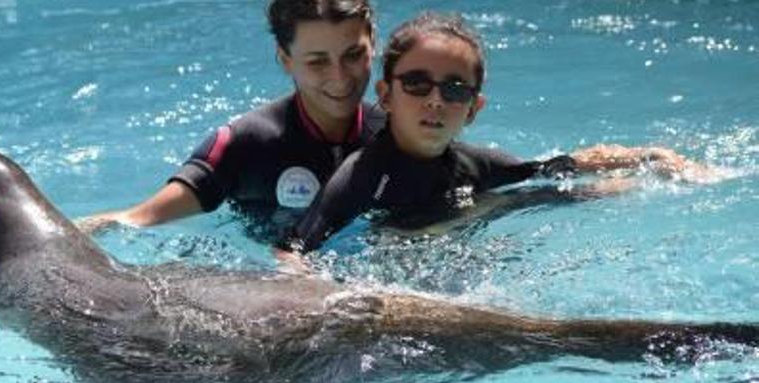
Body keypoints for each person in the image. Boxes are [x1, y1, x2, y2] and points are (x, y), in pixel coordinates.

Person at [280, 12, 709, 254]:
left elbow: (563, 165)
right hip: (391, 248)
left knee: (564, 192)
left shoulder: (476, 164)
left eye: (454, 89)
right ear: (386, 96)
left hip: (460, 223)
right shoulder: (362, 177)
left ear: (473, 109)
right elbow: (292, 249)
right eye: (416, 83)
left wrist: (651, 158)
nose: (435, 100)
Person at [77, 0, 386, 236]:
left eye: (353, 55)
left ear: (373, 42)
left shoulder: (397, 135)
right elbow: (136, 219)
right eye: (318, 62)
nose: (340, 78)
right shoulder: (246, 143)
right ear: (286, 60)